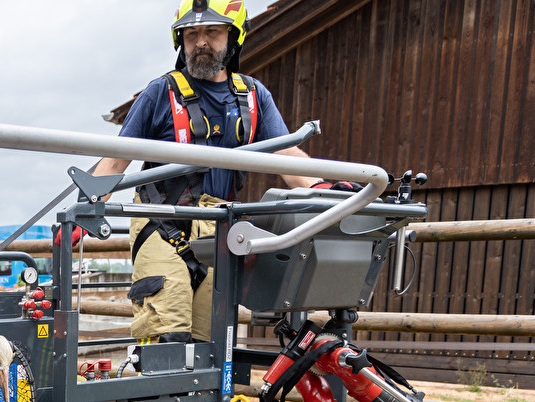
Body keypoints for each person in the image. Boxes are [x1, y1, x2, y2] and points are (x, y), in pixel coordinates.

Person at [89, 0, 344, 344]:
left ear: (233, 36)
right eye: (191, 34)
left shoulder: (253, 96)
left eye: (212, 31)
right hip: (163, 220)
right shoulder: (160, 93)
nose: (201, 42)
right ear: (181, 41)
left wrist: (327, 188)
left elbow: (287, 157)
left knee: (212, 344)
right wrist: (86, 207)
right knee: (168, 336)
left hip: (220, 228)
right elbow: (116, 159)